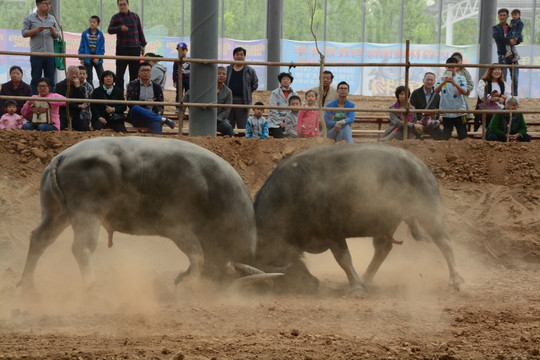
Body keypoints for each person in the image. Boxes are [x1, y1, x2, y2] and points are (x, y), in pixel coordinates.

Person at [181, 66, 235, 137]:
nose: (221, 75)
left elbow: (226, 110)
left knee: (228, 128)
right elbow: (187, 95)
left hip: (218, 121)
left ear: (226, 76)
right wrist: (182, 110)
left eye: (224, 74)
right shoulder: (204, 86)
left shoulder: (228, 92)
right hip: (201, 118)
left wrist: (216, 119)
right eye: (218, 73)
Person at [21, 0, 60, 94]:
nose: (48, 6)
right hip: (36, 54)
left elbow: (58, 35)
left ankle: (50, 102)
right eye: (46, 4)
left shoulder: (52, 19)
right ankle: (35, 101)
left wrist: (53, 31)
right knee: (35, 79)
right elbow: (24, 33)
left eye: (49, 4)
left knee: (50, 80)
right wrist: (35, 30)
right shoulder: (29, 18)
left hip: (50, 54)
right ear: (38, 4)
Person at [126, 62, 175, 134]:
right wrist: (145, 103)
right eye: (143, 70)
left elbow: (161, 104)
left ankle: (158, 142)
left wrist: (159, 111)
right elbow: (130, 103)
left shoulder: (156, 86)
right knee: (135, 107)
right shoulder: (133, 84)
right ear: (139, 72)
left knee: (157, 124)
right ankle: (163, 119)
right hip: (137, 117)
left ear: (151, 72)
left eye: (148, 70)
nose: (146, 72)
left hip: (152, 117)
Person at [108, 0, 146, 90]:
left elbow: (140, 30)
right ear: (118, 6)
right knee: (119, 74)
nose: (122, 6)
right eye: (120, 5)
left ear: (128, 5)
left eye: (124, 4)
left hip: (135, 49)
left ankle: (133, 95)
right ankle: (119, 97)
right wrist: (120, 28)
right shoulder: (115, 17)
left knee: (134, 74)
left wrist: (143, 44)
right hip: (122, 49)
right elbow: (109, 30)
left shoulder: (135, 16)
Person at [435, 57, 468, 140]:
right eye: (449, 67)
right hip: (446, 111)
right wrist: (443, 82)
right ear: (446, 67)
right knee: (446, 133)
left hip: (460, 111)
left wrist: (454, 83)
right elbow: (436, 91)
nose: (451, 69)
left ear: (456, 67)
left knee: (462, 133)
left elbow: (464, 92)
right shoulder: (441, 78)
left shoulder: (461, 78)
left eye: (453, 67)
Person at [225, 47, 259, 129]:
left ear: (244, 57)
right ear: (233, 56)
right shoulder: (227, 69)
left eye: (241, 55)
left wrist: (247, 91)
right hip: (228, 100)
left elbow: (255, 84)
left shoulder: (250, 71)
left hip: (243, 101)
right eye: (237, 54)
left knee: (243, 126)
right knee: (228, 125)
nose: (239, 56)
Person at [409, 72, 444, 140]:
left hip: (430, 123)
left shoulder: (436, 94)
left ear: (434, 82)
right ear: (423, 80)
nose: (429, 82)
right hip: (419, 123)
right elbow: (411, 109)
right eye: (427, 79)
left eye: (431, 80)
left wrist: (435, 116)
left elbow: (440, 110)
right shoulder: (416, 93)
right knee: (418, 139)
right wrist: (416, 121)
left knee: (441, 136)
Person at [492, 8, 519, 96]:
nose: (502, 17)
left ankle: (514, 96)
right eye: (501, 15)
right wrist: (509, 41)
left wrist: (516, 41)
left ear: (507, 16)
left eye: (504, 15)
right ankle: (503, 96)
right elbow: (497, 37)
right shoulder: (495, 28)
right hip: (502, 55)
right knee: (503, 77)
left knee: (515, 77)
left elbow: (518, 36)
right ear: (498, 17)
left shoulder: (511, 27)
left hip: (513, 55)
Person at [475, 65, 510, 131]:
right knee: (492, 128)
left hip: (501, 110)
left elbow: (508, 97)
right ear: (490, 71)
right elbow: (482, 96)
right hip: (488, 111)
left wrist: (499, 95)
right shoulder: (483, 82)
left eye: (499, 69)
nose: (497, 71)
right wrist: (497, 99)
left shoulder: (503, 83)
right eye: (495, 69)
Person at [55, 65, 89, 131]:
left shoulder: (81, 87)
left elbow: (81, 101)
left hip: (76, 114)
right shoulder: (59, 86)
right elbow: (61, 101)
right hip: (63, 114)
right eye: (72, 73)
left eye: (76, 74)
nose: (74, 76)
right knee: (58, 128)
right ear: (67, 74)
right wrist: (77, 106)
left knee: (85, 129)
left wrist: (77, 88)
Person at [268, 72, 297, 138]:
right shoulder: (275, 93)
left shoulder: (295, 94)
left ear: (290, 82)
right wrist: (279, 122)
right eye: (283, 79)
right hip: (275, 122)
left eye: (288, 79)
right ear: (280, 82)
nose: (286, 80)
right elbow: (273, 110)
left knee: (294, 136)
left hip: (290, 121)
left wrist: (288, 122)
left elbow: (296, 110)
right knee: (279, 136)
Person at [78, 15, 105, 87]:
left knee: (101, 76)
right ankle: (91, 92)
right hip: (87, 57)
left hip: (97, 58)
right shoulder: (85, 33)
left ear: (98, 24)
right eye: (90, 22)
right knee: (89, 77)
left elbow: (102, 48)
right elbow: (82, 46)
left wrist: (98, 57)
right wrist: (82, 58)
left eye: (94, 22)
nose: (92, 23)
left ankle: (102, 91)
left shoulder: (100, 34)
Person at [451, 52, 474, 123]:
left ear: (461, 61)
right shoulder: (448, 72)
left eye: (458, 61)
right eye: (454, 61)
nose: (456, 63)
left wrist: (464, 89)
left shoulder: (464, 72)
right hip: (450, 98)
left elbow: (470, 84)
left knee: (462, 121)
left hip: (462, 96)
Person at [173, 42, 190, 107]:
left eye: (183, 50)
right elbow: (174, 71)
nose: (181, 52)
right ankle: (178, 107)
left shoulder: (190, 60)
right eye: (179, 50)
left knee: (188, 93)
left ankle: (189, 107)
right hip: (179, 79)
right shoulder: (177, 60)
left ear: (186, 50)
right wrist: (174, 80)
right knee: (179, 93)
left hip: (188, 79)